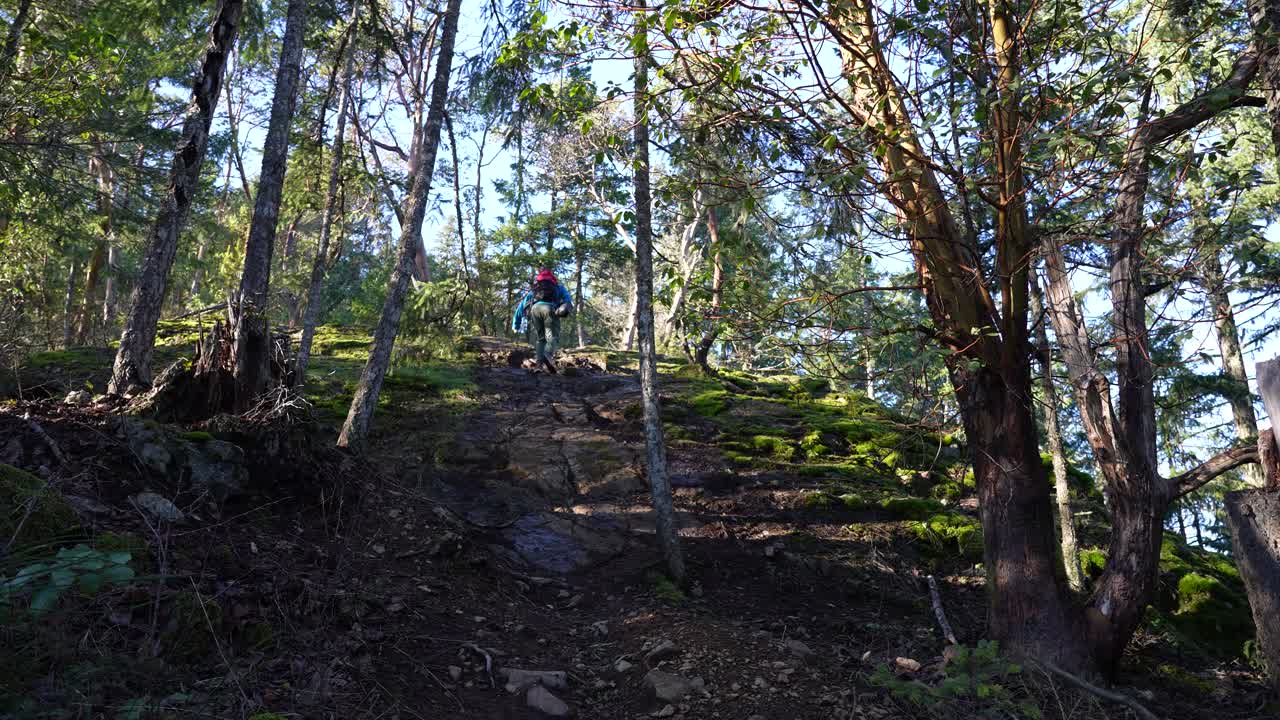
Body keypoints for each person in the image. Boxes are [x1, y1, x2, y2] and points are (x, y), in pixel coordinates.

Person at [512, 268, 573, 373]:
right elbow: (568, 300)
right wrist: (563, 308)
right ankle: (548, 354)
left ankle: (539, 366)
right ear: (552, 278)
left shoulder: (535, 289)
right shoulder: (558, 287)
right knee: (552, 336)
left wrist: (516, 324)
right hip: (549, 309)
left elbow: (521, 306)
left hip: (535, 310)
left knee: (541, 339)